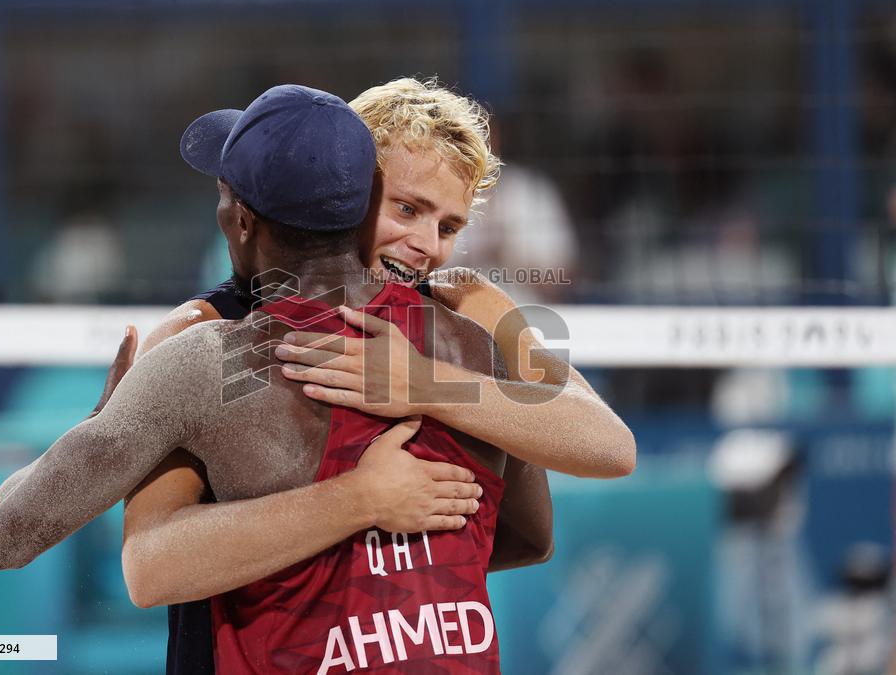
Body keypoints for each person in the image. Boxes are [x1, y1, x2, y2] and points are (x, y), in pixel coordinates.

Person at [0, 83, 546, 673]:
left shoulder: (199, 354)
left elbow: (8, 540)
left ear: (240, 219)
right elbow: (533, 534)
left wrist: (104, 420)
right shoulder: (473, 342)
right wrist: (384, 551)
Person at [115, 78, 635, 672]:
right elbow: (150, 570)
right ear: (342, 192)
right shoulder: (202, 332)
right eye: (406, 209)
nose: (425, 246)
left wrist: (428, 387)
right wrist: (357, 507)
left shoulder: (465, 304)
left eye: (448, 227)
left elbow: (605, 450)